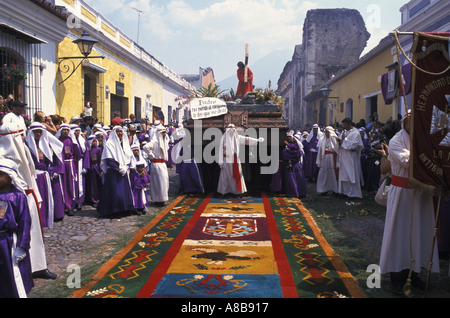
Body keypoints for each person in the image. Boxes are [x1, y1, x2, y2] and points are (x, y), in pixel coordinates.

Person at [379, 112, 440, 295]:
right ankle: (397, 277)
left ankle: (414, 274)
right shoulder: (397, 140)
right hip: (402, 195)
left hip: (421, 195)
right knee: (400, 235)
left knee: (419, 233)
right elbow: (408, 162)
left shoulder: (425, 137)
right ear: (405, 122)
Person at [0, 122, 57, 280]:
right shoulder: (3, 157)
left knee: (34, 234)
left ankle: (39, 266)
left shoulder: (22, 149)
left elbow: (30, 174)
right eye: (21, 135)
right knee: (20, 236)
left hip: (29, 198)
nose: (25, 137)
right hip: (14, 202)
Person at [0, 158, 34, 298]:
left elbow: (25, 221)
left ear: (10, 176)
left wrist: (22, 245)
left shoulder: (18, 196)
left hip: (9, 243)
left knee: (13, 274)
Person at [25, 122, 64, 228]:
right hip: (32, 176)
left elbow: (48, 161)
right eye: (35, 132)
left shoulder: (45, 144)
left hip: (43, 176)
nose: (38, 134)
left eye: (39, 132)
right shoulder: (27, 144)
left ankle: (44, 220)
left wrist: (50, 172)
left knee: (45, 198)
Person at [97, 126, 135, 218]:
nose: (120, 133)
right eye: (118, 131)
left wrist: (126, 167)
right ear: (114, 133)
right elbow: (109, 160)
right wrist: (119, 169)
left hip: (124, 172)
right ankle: (113, 211)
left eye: (121, 131)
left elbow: (129, 157)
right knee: (115, 192)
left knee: (124, 192)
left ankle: (124, 209)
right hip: (114, 173)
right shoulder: (109, 144)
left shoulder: (124, 144)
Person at [217, 124, 264, 196]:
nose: (231, 132)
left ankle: (236, 192)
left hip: (235, 160)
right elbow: (220, 151)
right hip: (226, 160)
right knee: (225, 177)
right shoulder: (223, 139)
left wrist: (256, 140)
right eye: (230, 131)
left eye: (233, 131)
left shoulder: (237, 138)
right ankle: (224, 192)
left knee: (236, 176)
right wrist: (220, 162)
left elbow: (246, 140)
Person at [56, 124, 81, 216]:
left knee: (70, 185)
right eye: (64, 130)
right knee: (62, 185)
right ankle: (62, 206)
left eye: (67, 130)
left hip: (70, 165)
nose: (66, 131)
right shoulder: (57, 140)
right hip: (61, 164)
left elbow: (77, 154)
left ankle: (70, 206)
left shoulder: (71, 140)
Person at [336, 118, 364, 199]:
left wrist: (345, 139)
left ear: (350, 123)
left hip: (351, 156)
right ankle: (345, 192)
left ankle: (353, 193)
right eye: (343, 125)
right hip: (343, 155)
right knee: (344, 174)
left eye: (345, 125)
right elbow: (343, 143)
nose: (344, 127)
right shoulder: (344, 132)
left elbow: (354, 145)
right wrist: (340, 141)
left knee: (351, 174)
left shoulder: (356, 133)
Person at [143, 126, 170, 206]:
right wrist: (152, 156)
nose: (164, 134)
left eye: (165, 132)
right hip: (156, 164)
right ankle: (158, 200)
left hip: (162, 163)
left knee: (164, 182)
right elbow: (145, 147)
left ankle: (162, 199)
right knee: (158, 183)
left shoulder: (164, 141)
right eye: (163, 133)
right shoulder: (154, 141)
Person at [282, 132, 307, 198]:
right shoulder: (286, 147)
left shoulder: (295, 145)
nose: (289, 138)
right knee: (290, 180)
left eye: (290, 137)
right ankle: (292, 193)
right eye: (288, 137)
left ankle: (301, 193)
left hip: (295, 165)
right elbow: (285, 154)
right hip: (289, 165)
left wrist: (290, 155)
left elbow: (297, 153)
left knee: (299, 179)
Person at [316, 126, 339, 196]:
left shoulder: (335, 140)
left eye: (327, 132)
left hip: (333, 158)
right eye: (325, 132)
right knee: (324, 174)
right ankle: (324, 189)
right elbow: (320, 151)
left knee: (333, 174)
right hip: (324, 158)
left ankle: (335, 190)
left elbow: (337, 150)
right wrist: (318, 161)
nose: (326, 133)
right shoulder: (322, 139)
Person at [73, 126, 90, 210]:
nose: (77, 132)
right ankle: (74, 201)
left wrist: (86, 166)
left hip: (80, 163)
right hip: (73, 164)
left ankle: (80, 201)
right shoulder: (71, 141)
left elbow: (86, 154)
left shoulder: (83, 141)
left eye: (78, 131)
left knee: (80, 183)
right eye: (75, 131)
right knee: (74, 182)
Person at [84, 135, 102, 207]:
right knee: (89, 185)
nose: (94, 143)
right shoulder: (88, 150)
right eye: (93, 141)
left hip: (96, 169)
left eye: (95, 141)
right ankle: (88, 199)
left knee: (95, 185)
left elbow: (99, 160)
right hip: (89, 169)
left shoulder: (98, 149)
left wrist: (100, 169)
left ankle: (95, 199)